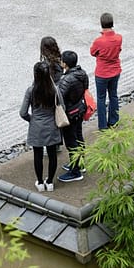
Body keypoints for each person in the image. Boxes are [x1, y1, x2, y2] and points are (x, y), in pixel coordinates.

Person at [20, 61, 62, 192]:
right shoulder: (54, 89)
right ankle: (49, 181)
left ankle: (39, 182)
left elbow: (23, 112)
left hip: (36, 127)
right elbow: (62, 107)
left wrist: (32, 120)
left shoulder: (31, 90)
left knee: (37, 155)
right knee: (52, 154)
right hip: (52, 126)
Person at [57, 50, 89, 182]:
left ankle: (75, 171)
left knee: (71, 142)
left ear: (64, 63)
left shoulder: (67, 80)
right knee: (79, 137)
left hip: (70, 113)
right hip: (79, 109)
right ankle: (80, 163)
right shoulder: (82, 73)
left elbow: (59, 97)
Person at [90, 12, 122, 130]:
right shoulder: (119, 38)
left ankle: (103, 125)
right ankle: (114, 121)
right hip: (115, 70)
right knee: (113, 95)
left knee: (101, 98)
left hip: (102, 73)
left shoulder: (99, 41)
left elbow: (93, 52)